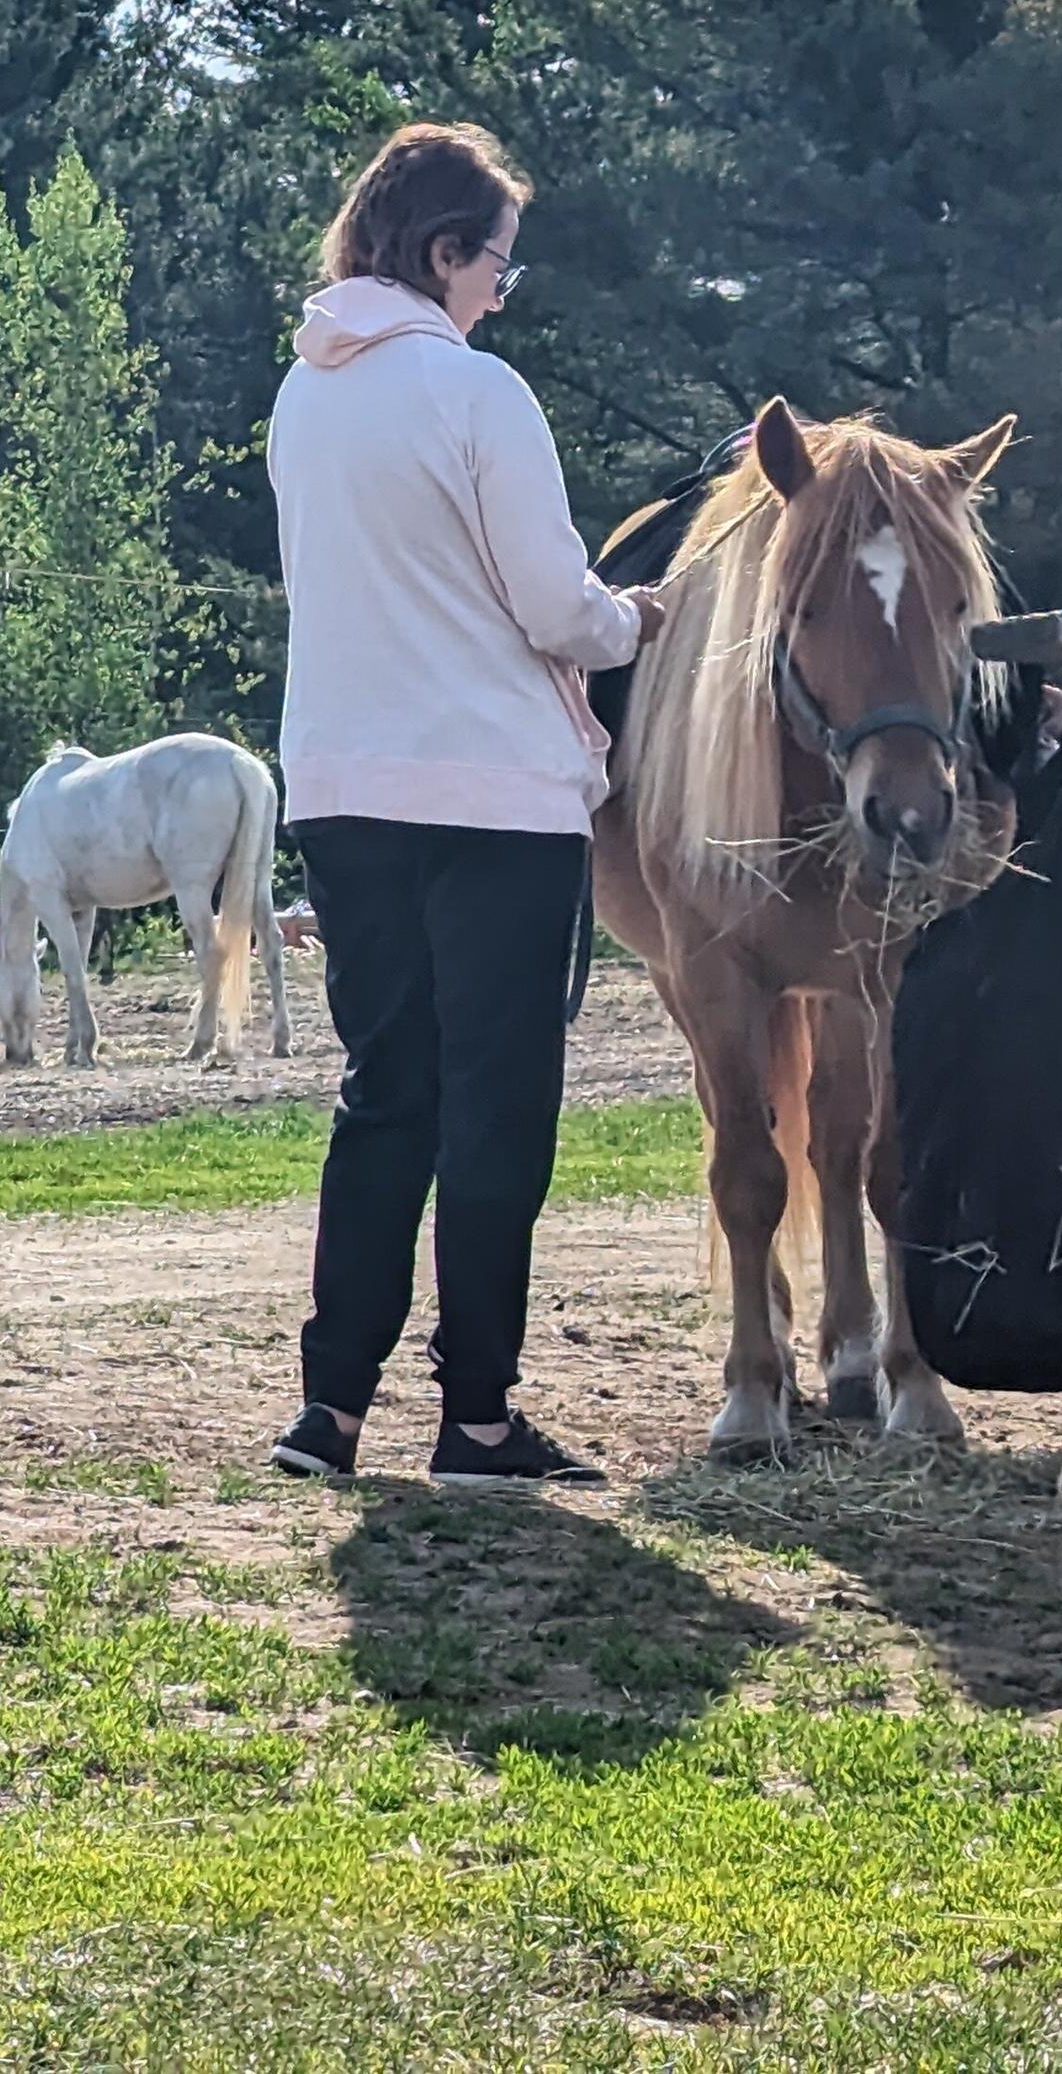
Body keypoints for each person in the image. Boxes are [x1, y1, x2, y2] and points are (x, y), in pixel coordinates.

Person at [262, 123, 662, 1486]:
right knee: (498, 1110)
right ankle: (478, 1416)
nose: (502, 287)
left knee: (385, 1095)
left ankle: (330, 1409)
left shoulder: (300, 396)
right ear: (445, 254)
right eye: (498, 261)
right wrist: (634, 615)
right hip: (494, 795)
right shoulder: (478, 394)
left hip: (343, 784)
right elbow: (555, 606)